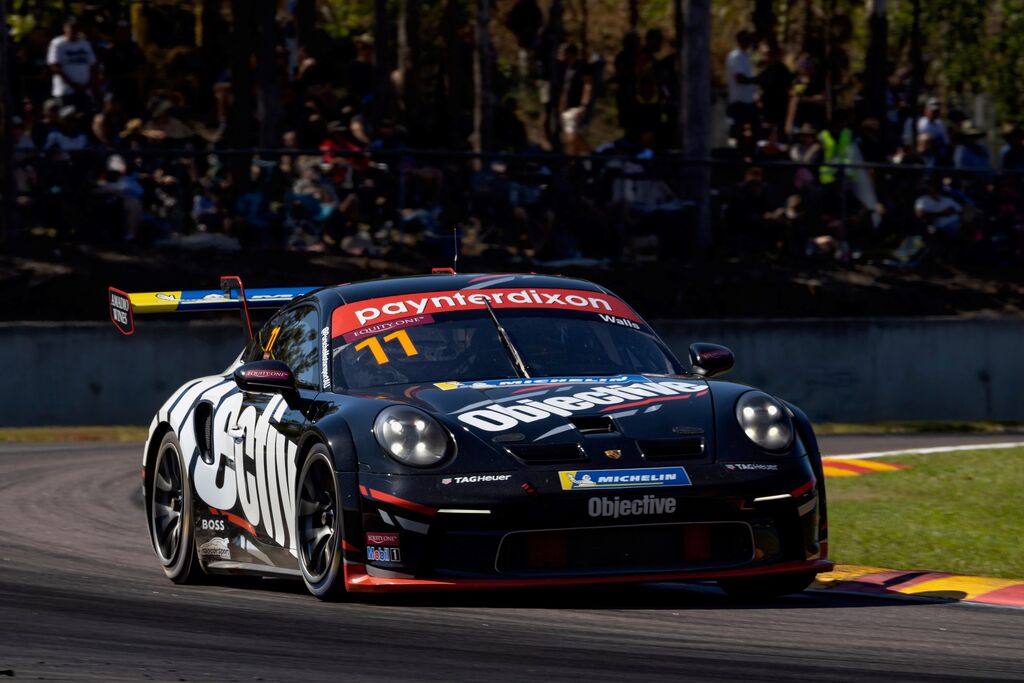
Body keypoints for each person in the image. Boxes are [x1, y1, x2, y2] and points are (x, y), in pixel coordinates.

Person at [46, 17, 96, 112]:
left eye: (76, 27)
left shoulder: (85, 44)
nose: (74, 30)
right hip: (66, 91)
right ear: (65, 28)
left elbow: (93, 64)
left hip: (84, 91)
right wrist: (73, 85)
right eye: (71, 27)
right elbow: (55, 67)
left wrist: (88, 84)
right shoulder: (58, 44)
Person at [753, 44, 793, 131]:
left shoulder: (783, 71)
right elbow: (758, 82)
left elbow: (789, 89)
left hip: (780, 109)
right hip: (767, 108)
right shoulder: (766, 69)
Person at [725, 30, 757, 133]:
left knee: (751, 131)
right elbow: (739, 78)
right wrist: (758, 80)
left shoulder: (746, 56)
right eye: (746, 40)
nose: (748, 43)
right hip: (738, 101)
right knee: (739, 132)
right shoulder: (736, 56)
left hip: (748, 100)